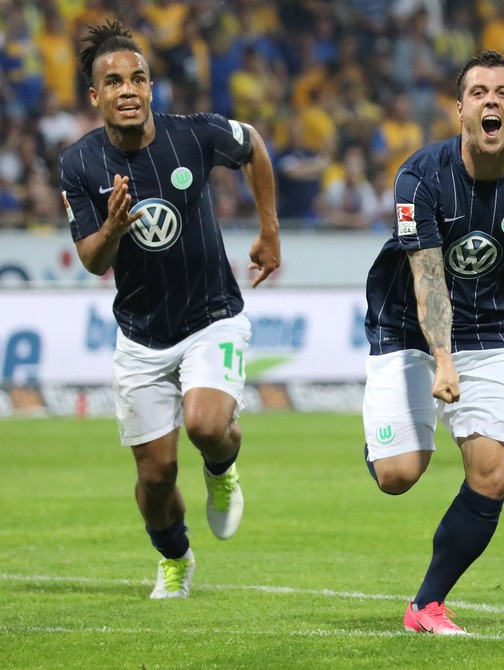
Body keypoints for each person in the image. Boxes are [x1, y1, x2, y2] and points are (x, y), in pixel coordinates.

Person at [58, 21, 281, 599]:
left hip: (212, 316)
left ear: (152, 87)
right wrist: (110, 228)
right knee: (155, 476)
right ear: (95, 96)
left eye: (137, 78)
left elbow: (252, 143)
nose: (127, 89)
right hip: (141, 337)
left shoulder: (193, 136)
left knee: (208, 426)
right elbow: (89, 258)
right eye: (113, 81)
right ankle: (175, 558)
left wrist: (269, 230)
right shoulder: (79, 166)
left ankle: (222, 469)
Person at [362, 50, 504, 634]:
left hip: (488, 332)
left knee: (494, 474)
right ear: (459, 109)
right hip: (407, 327)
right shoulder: (420, 176)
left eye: (502, 92)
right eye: (478, 92)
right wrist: (441, 361)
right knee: (399, 474)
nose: (491, 101)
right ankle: (386, 441)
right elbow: (428, 277)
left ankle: (426, 605)